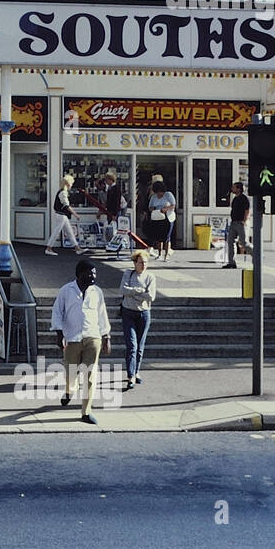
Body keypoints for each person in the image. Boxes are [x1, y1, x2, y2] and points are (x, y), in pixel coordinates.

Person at [51, 259, 112, 425]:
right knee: (71, 372)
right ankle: (70, 390)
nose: (93, 276)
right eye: (90, 273)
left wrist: (106, 336)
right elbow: (57, 312)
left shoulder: (97, 292)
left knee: (90, 375)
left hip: (93, 337)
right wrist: (58, 333)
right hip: (72, 338)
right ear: (80, 274)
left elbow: (102, 314)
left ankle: (86, 412)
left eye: (95, 274)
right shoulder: (66, 290)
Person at [119, 250, 157, 391]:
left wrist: (133, 293)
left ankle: (136, 371)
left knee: (140, 347)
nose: (143, 265)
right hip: (128, 312)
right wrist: (139, 291)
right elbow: (122, 290)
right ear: (135, 263)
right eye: (141, 262)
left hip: (144, 313)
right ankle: (130, 376)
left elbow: (151, 296)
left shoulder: (150, 277)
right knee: (132, 346)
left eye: (146, 262)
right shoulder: (128, 274)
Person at [44, 174, 86, 257]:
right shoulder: (63, 193)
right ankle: (48, 248)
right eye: (71, 183)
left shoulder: (62, 191)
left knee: (69, 232)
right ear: (68, 184)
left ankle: (77, 248)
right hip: (61, 215)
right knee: (57, 231)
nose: (72, 185)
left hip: (61, 215)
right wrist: (75, 214)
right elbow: (66, 206)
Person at [148, 178, 177, 261]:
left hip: (168, 218)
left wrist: (166, 208)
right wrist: (153, 208)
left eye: (160, 192)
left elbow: (173, 205)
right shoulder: (153, 197)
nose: (158, 194)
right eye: (156, 192)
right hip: (157, 218)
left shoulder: (168, 195)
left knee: (167, 237)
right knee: (158, 237)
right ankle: (159, 254)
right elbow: (150, 207)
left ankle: (166, 255)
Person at [224, 182, 251, 268]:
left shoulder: (244, 198)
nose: (232, 189)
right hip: (234, 222)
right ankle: (231, 262)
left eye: (234, 187)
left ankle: (257, 256)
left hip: (240, 222)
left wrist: (244, 221)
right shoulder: (235, 198)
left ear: (239, 189)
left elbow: (247, 210)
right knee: (231, 241)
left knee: (243, 242)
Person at [99, 171, 126, 243]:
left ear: (111, 179)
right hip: (111, 210)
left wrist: (114, 214)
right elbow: (109, 201)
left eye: (107, 180)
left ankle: (118, 242)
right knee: (111, 226)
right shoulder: (110, 188)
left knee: (116, 226)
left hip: (115, 210)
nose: (106, 181)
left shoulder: (116, 188)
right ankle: (110, 241)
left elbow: (116, 202)